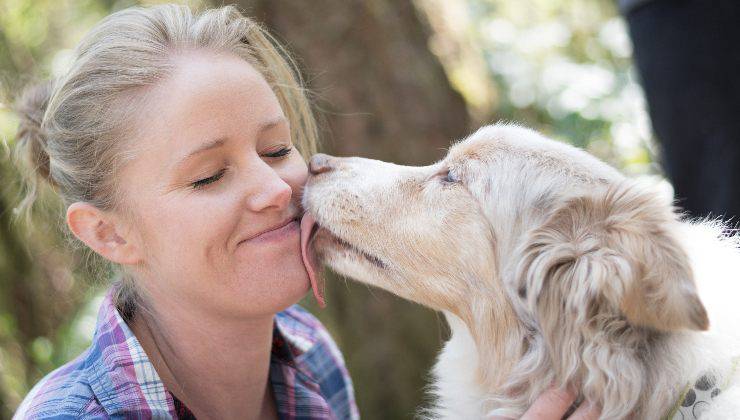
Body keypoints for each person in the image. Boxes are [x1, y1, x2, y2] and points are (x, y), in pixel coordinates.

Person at [11, 4, 597, 419]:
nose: (274, 187)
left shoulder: (310, 353)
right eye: (209, 176)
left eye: (276, 149)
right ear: (109, 234)